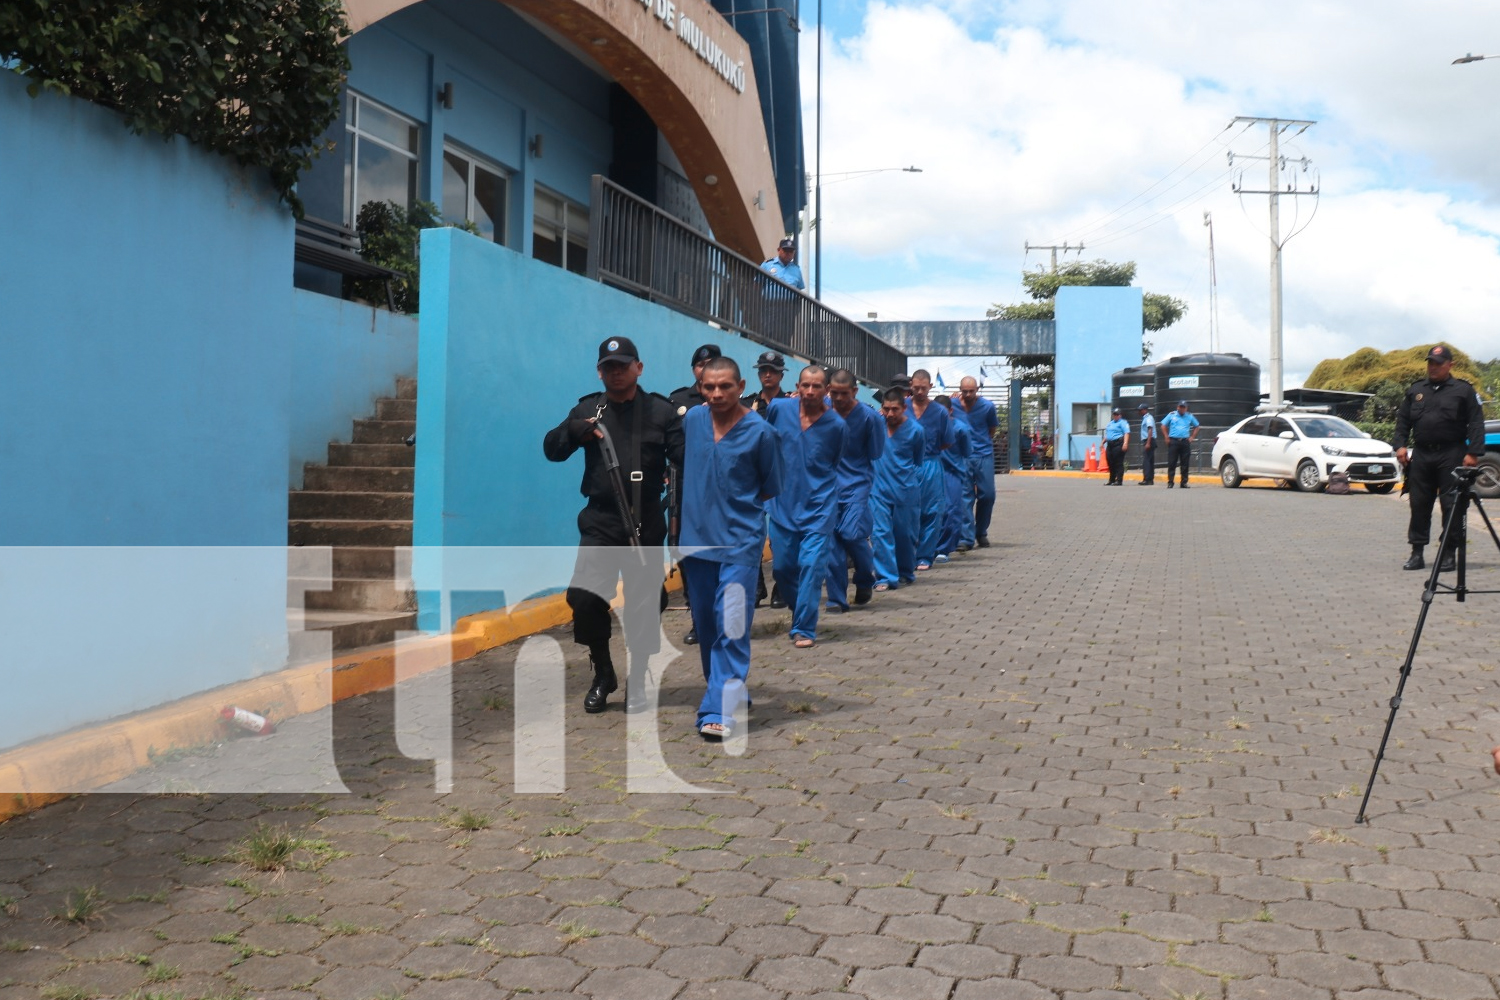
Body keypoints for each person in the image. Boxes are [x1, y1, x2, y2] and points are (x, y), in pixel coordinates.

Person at [543, 336, 683, 714]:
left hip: (646, 523)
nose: (616, 372)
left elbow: (685, 460)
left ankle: (638, 677)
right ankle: (603, 671)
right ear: (599, 371)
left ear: (639, 367)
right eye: (609, 366)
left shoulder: (661, 411)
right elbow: (552, 449)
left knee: (644, 603)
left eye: (624, 365)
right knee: (585, 598)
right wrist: (575, 430)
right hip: (602, 522)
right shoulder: (589, 408)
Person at [678, 356, 781, 739]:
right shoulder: (692, 421)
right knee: (707, 626)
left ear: (741, 387)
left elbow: (770, 486)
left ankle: (718, 709)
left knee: (732, 624)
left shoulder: (761, 433)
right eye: (710, 387)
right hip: (697, 542)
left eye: (726, 386)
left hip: (740, 542)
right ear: (701, 388)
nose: (718, 393)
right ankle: (728, 688)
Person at [765, 366, 846, 648]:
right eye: (806, 386)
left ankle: (804, 628)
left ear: (826, 391)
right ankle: (800, 606)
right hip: (782, 504)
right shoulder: (778, 408)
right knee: (784, 569)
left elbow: (834, 462)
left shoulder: (836, 425)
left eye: (817, 387)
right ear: (797, 386)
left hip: (819, 507)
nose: (810, 392)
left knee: (811, 566)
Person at [1392, 344, 1486, 572]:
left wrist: (1473, 452)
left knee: (1452, 505)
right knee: (1419, 504)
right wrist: (1400, 446)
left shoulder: (1463, 390)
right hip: (1422, 454)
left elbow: (1475, 422)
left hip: (1451, 454)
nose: (1433, 367)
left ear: (1450, 365)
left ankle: (1448, 554)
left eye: (1438, 363)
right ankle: (1416, 553)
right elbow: (1403, 421)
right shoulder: (1416, 390)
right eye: (1430, 363)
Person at [669, 343, 722, 645]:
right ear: (694, 369)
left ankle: (727, 613)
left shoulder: (733, 401)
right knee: (687, 554)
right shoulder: (678, 401)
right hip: (687, 489)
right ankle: (698, 617)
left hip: (721, 492)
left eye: (712, 364)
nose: (705, 369)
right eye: (701, 365)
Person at [824, 369, 884, 612]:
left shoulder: (870, 418)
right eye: (834, 393)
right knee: (831, 545)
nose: (838, 398)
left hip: (857, 485)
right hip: (827, 487)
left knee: (851, 534)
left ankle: (865, 577)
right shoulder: (822, 410)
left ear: (855, 392)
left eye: (844, 394)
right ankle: (836, 599)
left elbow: (876, 452)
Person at [742, 349, 790, 607]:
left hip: (784, 477)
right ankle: (757, 585)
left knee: (782, 535)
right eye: (763, 370)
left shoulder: (792, 403)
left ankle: (781, 585)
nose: (767, 374)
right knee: (751, 532)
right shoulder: (748, 405)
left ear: (781, 374)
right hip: (753, 476)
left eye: (772, 371)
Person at [871, 387, 925, 590]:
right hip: (878, 489)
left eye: (895, 409)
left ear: (904, 408)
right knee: (880, 533)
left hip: (905, 489)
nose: (890, 414)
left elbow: (918, 460)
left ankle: (904, 571)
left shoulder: (916, 431)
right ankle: (885, 577)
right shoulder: (876, 426)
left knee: (905, 534)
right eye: (886, 409)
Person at [906, 370, 954, 570]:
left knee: (932, 510)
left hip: (930, 463)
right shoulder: (901, 407)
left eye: (923, 388)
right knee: (906, 511)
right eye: (916, 388)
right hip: (905, 464)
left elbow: (947, 441)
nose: (919, 392)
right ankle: (907, 553)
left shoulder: (940, 412)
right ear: (910, 385)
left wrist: (927, 451)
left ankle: (925, 555)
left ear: (930, 387)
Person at [953, 377, 1000, 547]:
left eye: (971, 391)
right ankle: (966, 537)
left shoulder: (987, 406)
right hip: (962, 456)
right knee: (964, 496)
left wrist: (982, 442)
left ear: (977, 389)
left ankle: (981, 531)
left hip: (983, 454)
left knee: (987, 495)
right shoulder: (953, 405)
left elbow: (992, 429)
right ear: (960, 389)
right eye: (964, 391)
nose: (967, 394)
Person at [932, 395, 973, 559]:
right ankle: (929, 546)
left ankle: (944, 548)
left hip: (952, 473)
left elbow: (967, 452)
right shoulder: (928, 427)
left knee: (952, 510)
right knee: (930, 510)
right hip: (932, 471)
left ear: (950, 411)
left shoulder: (960, 429)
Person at [1160, 401, 1200, 488]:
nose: (1182, 409)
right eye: (1180, 407)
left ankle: (1184, 482)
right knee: (1172, 462)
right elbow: (1163, 425)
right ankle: (1170, 482)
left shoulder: (1189, 416)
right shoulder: (1172, 415)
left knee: (1185, 463)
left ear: (1186, 408)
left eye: (1184, 407)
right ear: (1177, 407)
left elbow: (1197, 426)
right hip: (1173, 441)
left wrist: (1192, 437)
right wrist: (1166, 437)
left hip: (1185, 442)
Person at [1102, 407, 1130, 486]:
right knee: (1110, 462)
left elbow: (1127, 433)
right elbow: (1108, 434)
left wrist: (1125, 443)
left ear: (1120, 415)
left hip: (1118, 444)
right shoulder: (1111, 423)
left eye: (1117, 414)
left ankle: (1119, 480)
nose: (1115, 416)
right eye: (1114, 414)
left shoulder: (1123, 423)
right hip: (1110, 444)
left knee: (1118, 463)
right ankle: (1111, 480)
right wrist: (1102, 443)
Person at [1137, 402, 1157, 485]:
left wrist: (1148, 443)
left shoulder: (1148, 418)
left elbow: (1150, 430)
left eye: (1140, 410)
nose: (1139, 412)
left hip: (1149, 440)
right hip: (1150, 440)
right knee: (1150, 460)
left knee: (1147, 461)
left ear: (1145, 410)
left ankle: (1147, 479)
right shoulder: (1146, 418)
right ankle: (1150, 479)